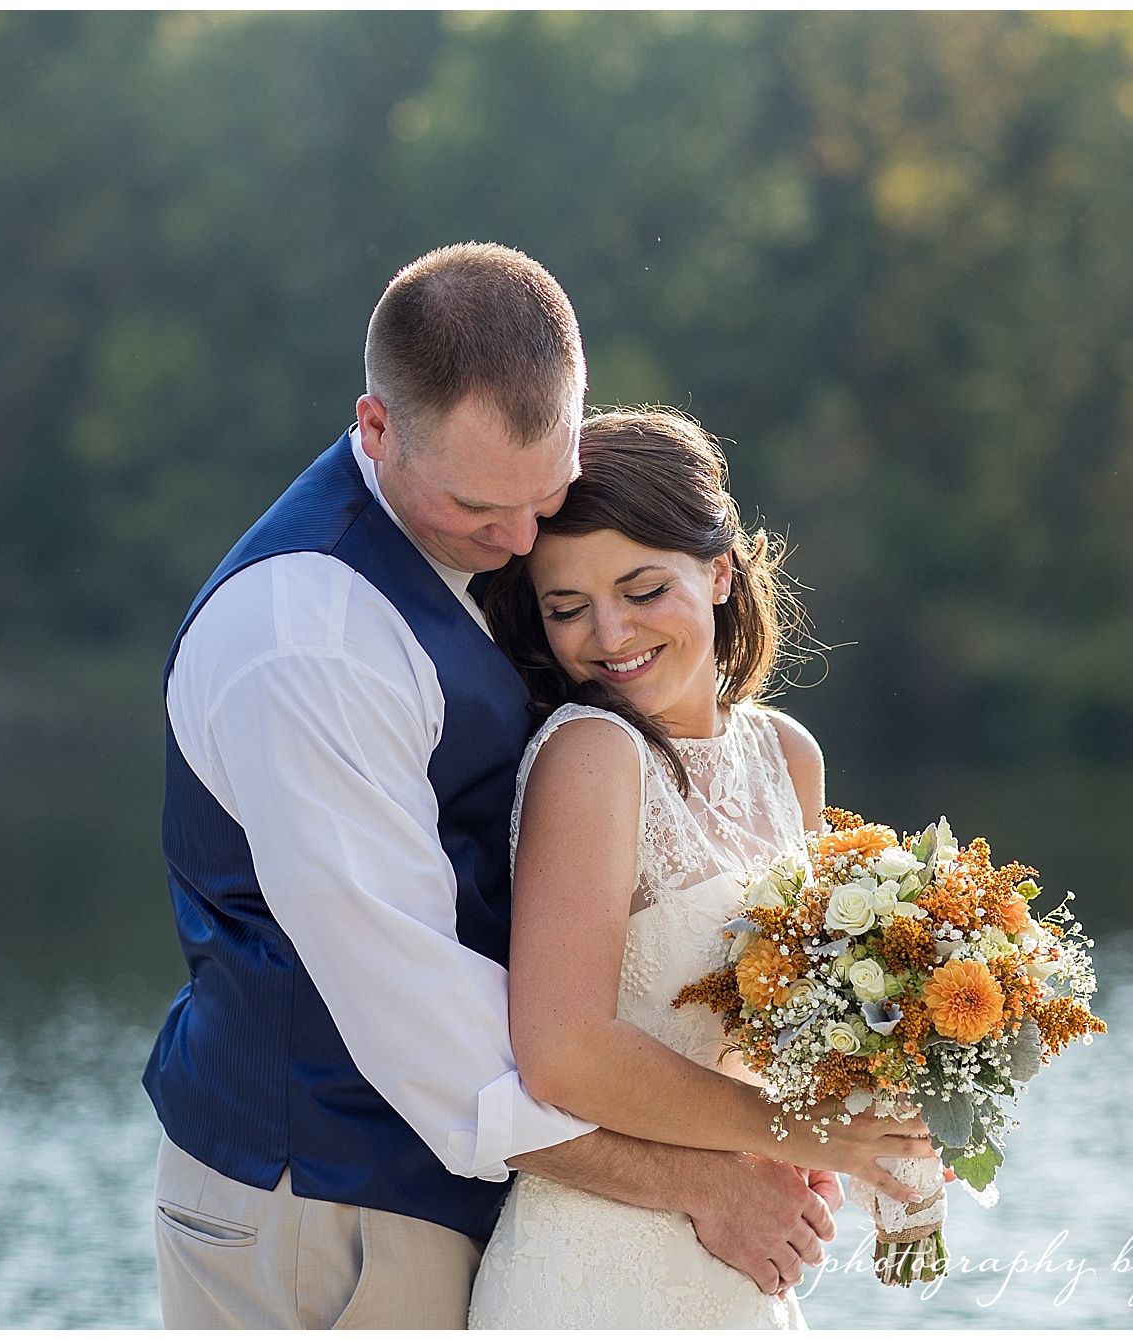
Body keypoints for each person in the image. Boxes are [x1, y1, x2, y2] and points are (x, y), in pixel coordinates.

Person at [143, 243, 921, 1329]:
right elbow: (425, 1030)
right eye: (480, 509)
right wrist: (713, 1172)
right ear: (374, 429)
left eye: (543, 492)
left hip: (525, 1194)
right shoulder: (306, 641)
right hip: (326, 1204)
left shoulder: (740, 729)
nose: (519, 543)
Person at [468, 410, 932, 1328]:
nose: (609, 635)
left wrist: (895, 1096)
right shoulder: (590, 753)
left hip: (740, 1255)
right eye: (567, 608)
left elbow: (797, 1019)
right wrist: (811, 1136)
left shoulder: (787, 757)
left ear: (719, 571)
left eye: (644, 590)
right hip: (599, 1268)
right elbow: (562, 1054)